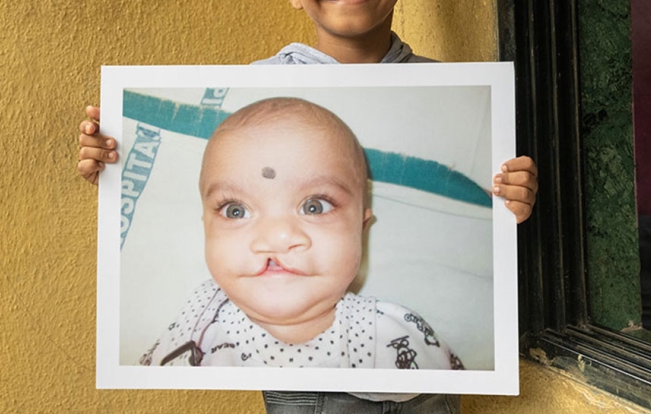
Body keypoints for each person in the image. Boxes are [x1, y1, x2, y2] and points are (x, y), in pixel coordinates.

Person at [78, 0, 538, 412]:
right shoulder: (257, 91)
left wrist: (513, 199)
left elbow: (487, 223)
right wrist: (110, 156)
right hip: (303, 392)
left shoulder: (457, 103)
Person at [141, 97, 464, 372]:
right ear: (205, 227)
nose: (277, 238)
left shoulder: (396, 334)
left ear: (361, 229)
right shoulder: (196, 323)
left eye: (315, 207)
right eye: (235, 210)